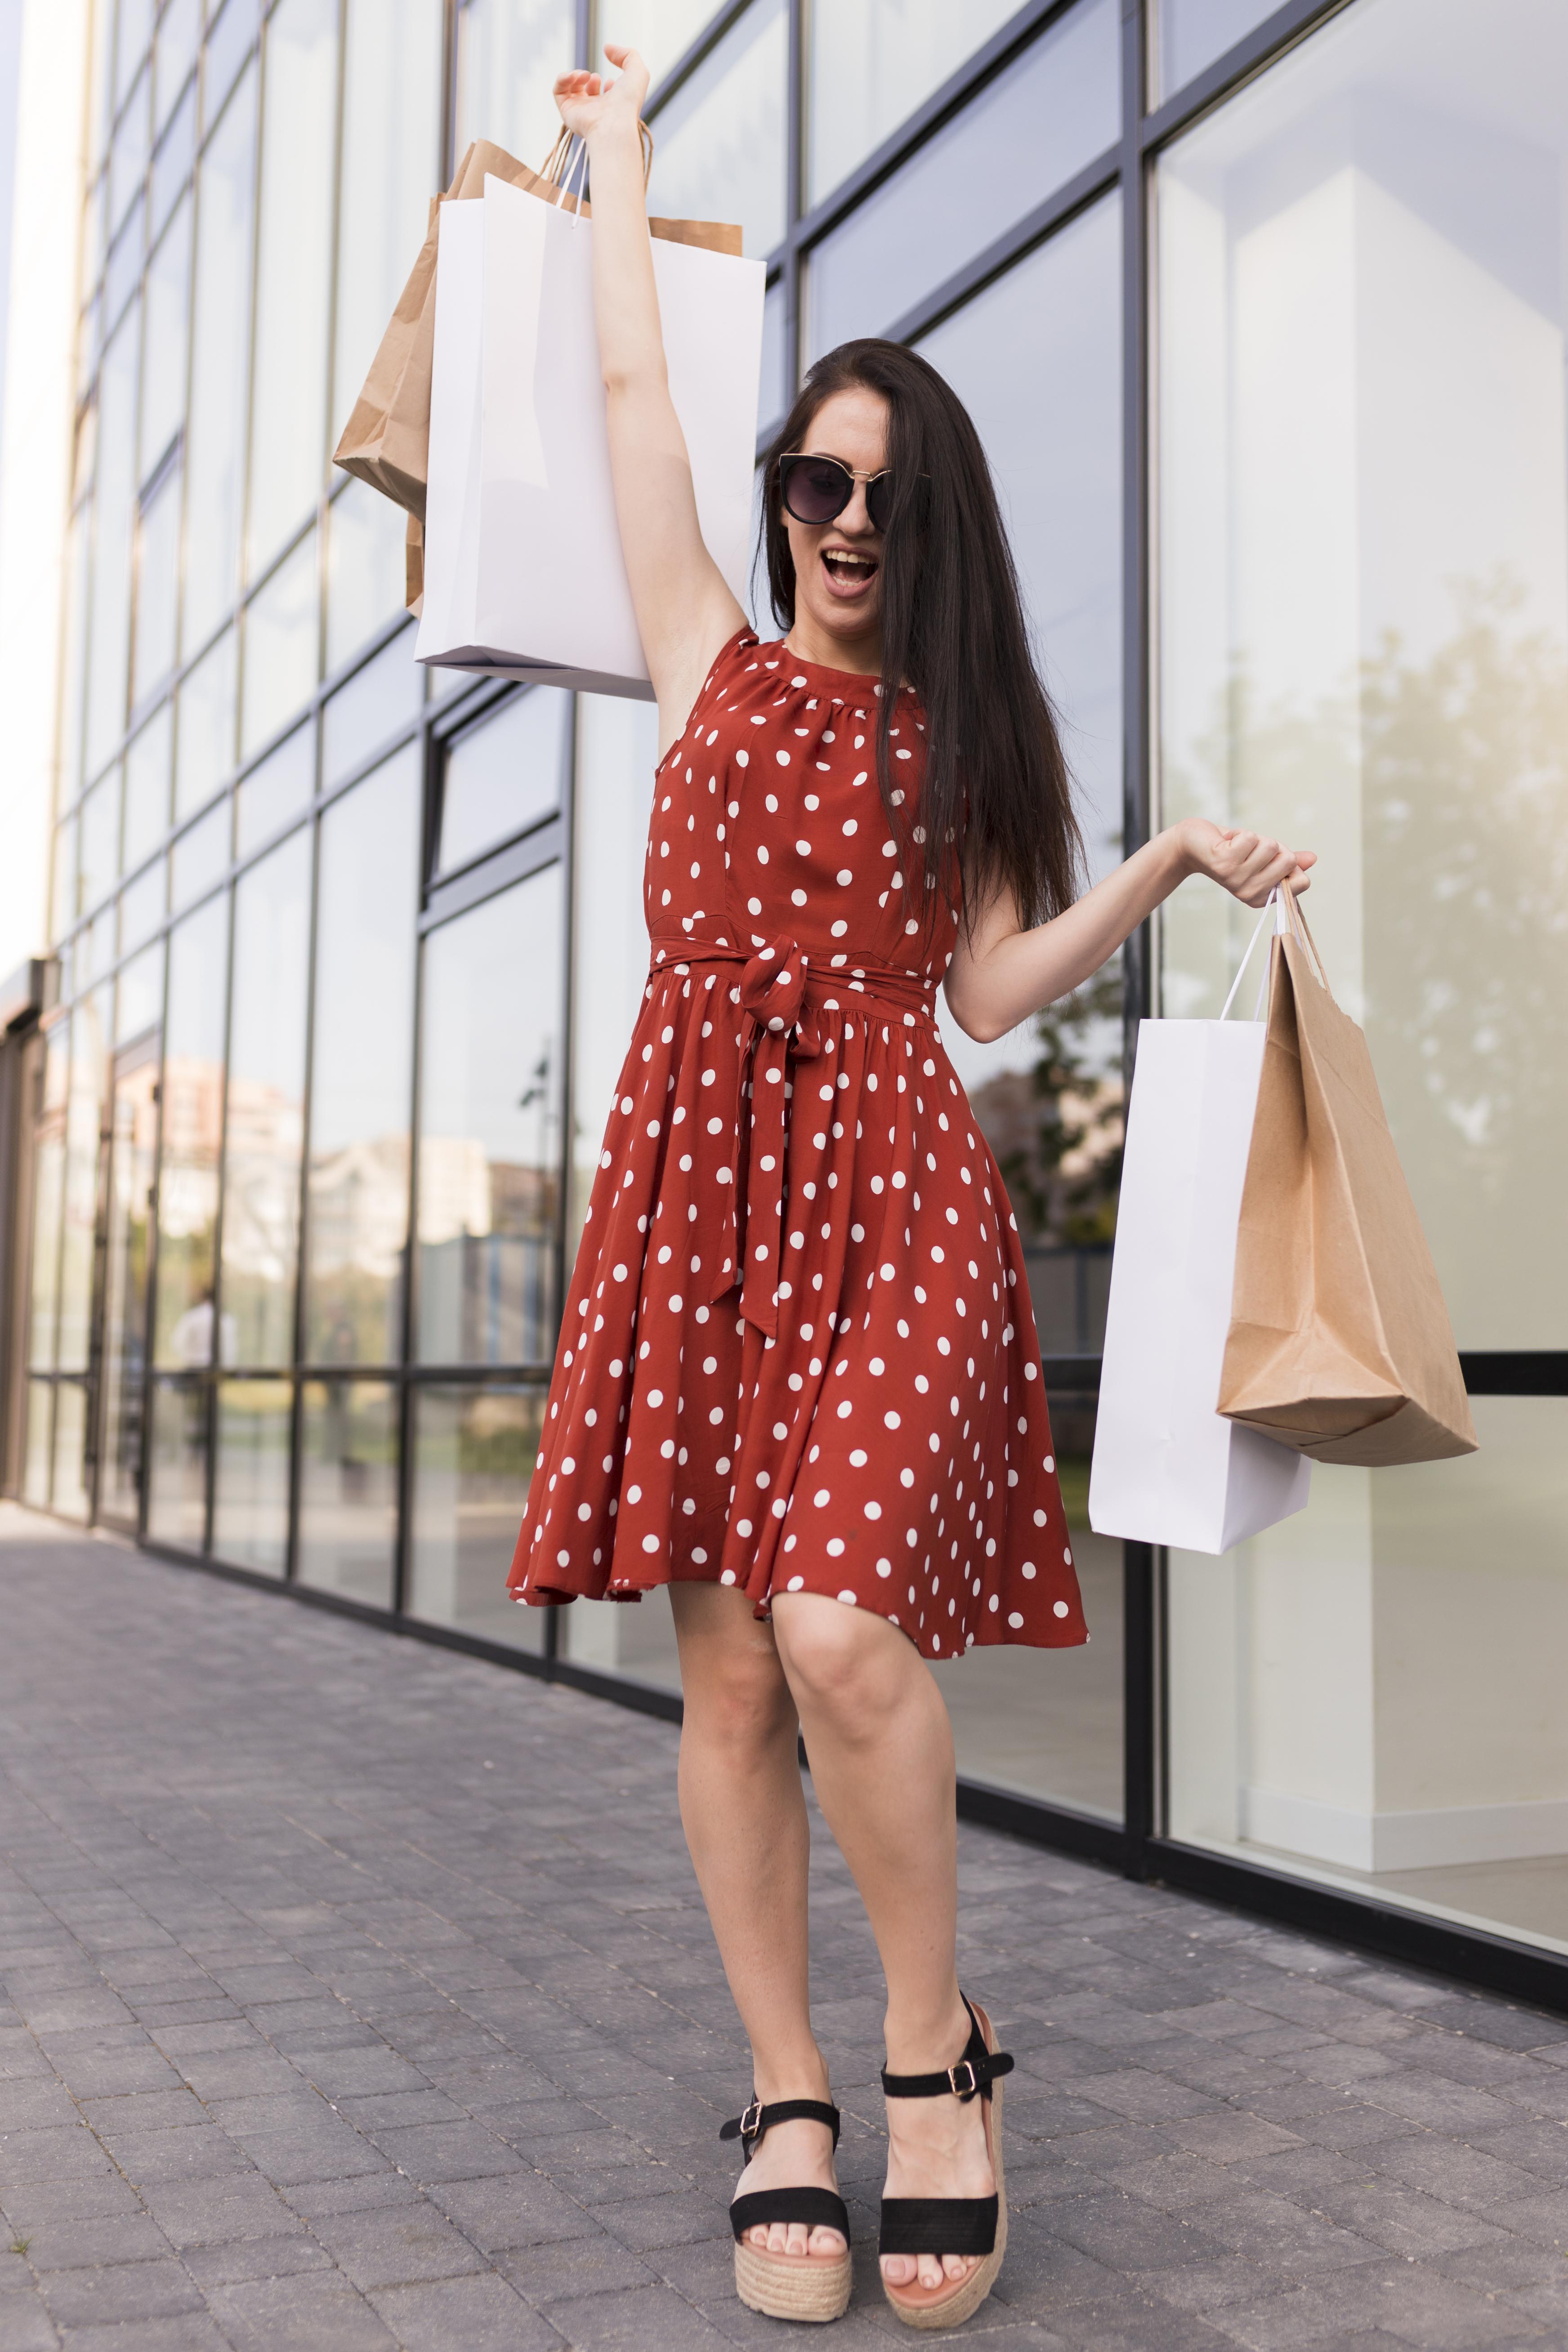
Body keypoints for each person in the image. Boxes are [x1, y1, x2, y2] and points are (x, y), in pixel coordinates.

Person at [509, 45, 1316, 2330]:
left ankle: (929, 2059)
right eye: (820, 479)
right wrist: (628, 177)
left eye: (890, 496)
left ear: (930, 529)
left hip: (888, 1196)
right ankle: (782, 2095)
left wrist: (1156, 857)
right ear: (778, 498)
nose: (849, 520)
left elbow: (982, 994)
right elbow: (625, 392)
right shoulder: (701, 655)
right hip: (692, 1195)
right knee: (735, 1678)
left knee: (845, 1629)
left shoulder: (954, 749)